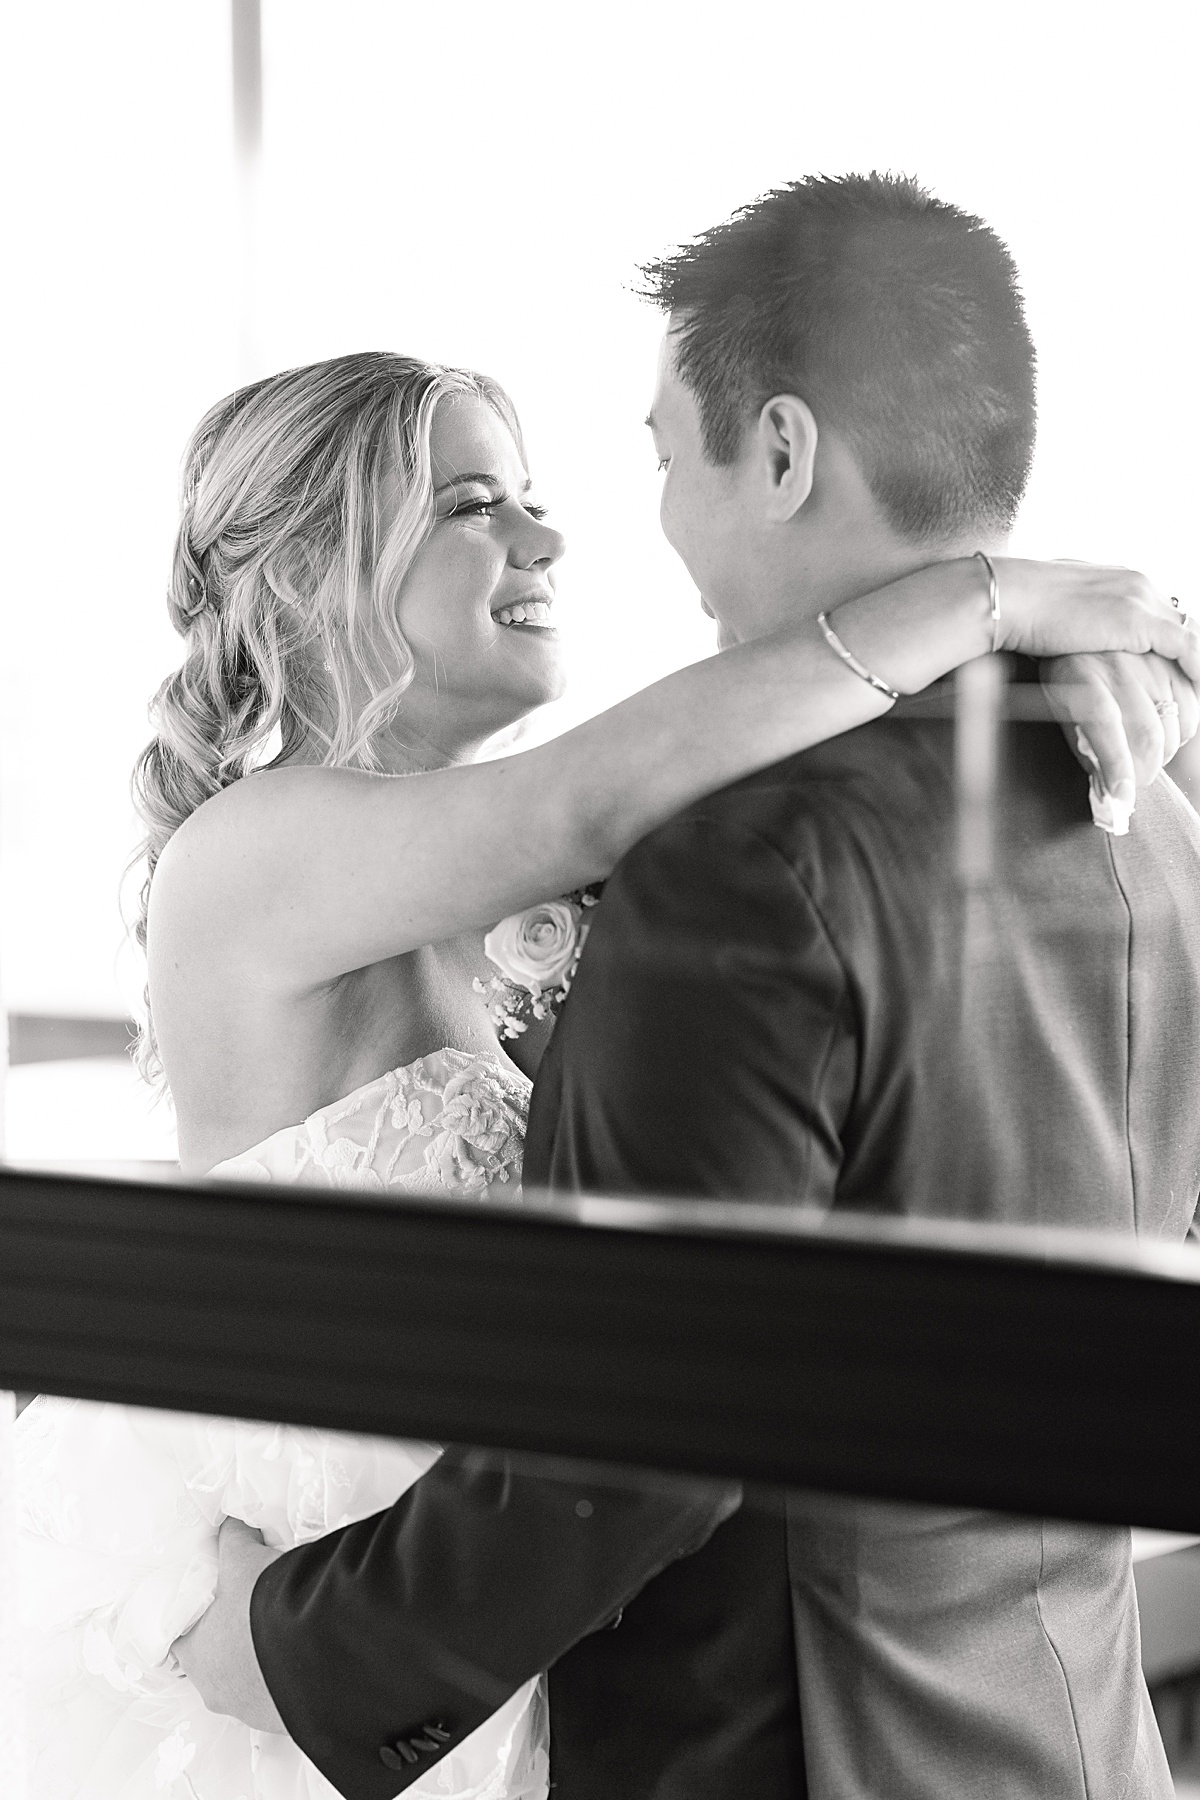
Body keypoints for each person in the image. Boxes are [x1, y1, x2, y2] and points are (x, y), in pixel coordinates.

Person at [17, 313, 1198, 1800]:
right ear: (313, 568)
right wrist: (990, 599)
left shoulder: (496, 868)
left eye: (530, 489)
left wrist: (1079, 658)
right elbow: (604, 793)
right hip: (328, 1609)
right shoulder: (251, 853)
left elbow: (784, 771)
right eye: (470, 503)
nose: (546, 531)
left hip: (517, 1606)